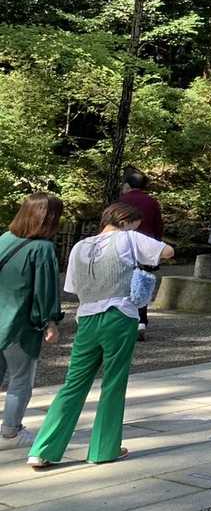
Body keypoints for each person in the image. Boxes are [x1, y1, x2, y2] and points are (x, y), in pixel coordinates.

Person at [27, 201, 173, 469]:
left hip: (87, 317)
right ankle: (104, 449)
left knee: (73, 383)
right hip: (119, 314)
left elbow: (72, 286)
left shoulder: (80, 246)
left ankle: (43, 449)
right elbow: (167, 252)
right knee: (113, 382)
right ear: (125, 222)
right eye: (134, 225)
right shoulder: (129, 238)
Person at [0, 194, 63, 449]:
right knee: (20, 379)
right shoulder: (43, 248)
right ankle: (11, 432)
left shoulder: (4, 239)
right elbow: (44, 290)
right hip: (19, 324)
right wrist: (50, 322)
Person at [117, 169, 163, 339]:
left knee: (122, 283)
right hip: (146, 248)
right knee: (141, 283)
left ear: (127, 185)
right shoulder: (152, 202)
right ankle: (140, 321)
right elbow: (158, 226)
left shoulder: (121, 201)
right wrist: (156, 249)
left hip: (122, 247)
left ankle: (122, 320)